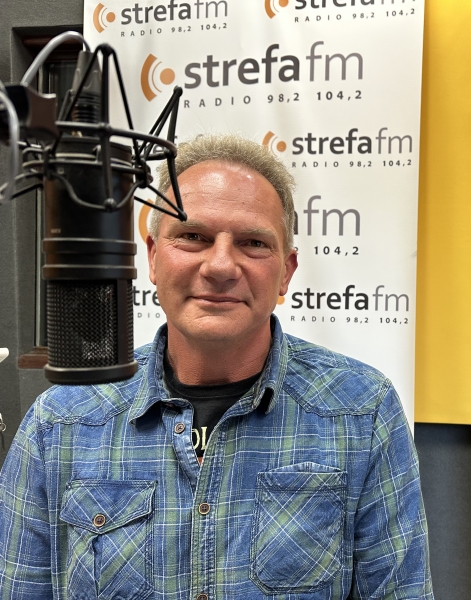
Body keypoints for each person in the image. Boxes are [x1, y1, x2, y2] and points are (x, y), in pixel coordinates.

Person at [0, 133, 434, 599]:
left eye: (253, 243)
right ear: (152, 256)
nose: (221, 265)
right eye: (193, 237)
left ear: (286, 272)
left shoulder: (361, 412)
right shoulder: (61, 422)